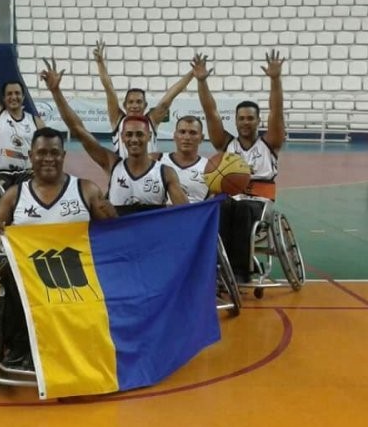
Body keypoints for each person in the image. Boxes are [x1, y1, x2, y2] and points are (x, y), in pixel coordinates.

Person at [0, 126, 117, 370]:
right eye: (42, 153)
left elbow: (113, 235)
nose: (48, 158)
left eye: (55, 153)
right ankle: (22, 347)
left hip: (77, 276)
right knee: (11, 279)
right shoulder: (15, 195)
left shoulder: (86, 190)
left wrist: (111, 214)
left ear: (64, 156)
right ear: (31, 155)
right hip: (30, 278)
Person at [40, 58, 188, 215]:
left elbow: (188, 215)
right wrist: (56, 92)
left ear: (149, 135)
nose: (134, 139)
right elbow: (78, 129)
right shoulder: (112, 164)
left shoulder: (165, 173)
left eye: (139, 134)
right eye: (129, 134)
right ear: (122, 137)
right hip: (119, 226)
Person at [196, 50, 286, 281]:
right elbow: (210, 112)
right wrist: (202, 82)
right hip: (231, 199)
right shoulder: (226, 143)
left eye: (250, 118)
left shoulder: (270, 142)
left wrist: (275, 80)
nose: (246, 122)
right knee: (220, 207)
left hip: (259, 201)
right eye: (241, 118)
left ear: (258, 121)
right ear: (235, 121)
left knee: (244, 209)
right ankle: (216, 265)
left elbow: (277, 111)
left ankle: (240, 270)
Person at [94, 40, 194, 158]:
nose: (135, 105)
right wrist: (100, 63)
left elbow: (170, 97)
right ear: (124, 105)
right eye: (131, 102)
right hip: (124, 169)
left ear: (145, 105)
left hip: (150, 169)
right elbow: (109, 88)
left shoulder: (151, 120)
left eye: (139, 102)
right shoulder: (117, 120)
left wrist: (192, 73)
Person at [0, 33, 44, 185]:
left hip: (27, 175)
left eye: (17, 93)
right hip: (2, 175)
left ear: (23, 97)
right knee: (5, 195)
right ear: (3, 98)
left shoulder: (35, 121)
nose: (13, 97)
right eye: (9, 94)